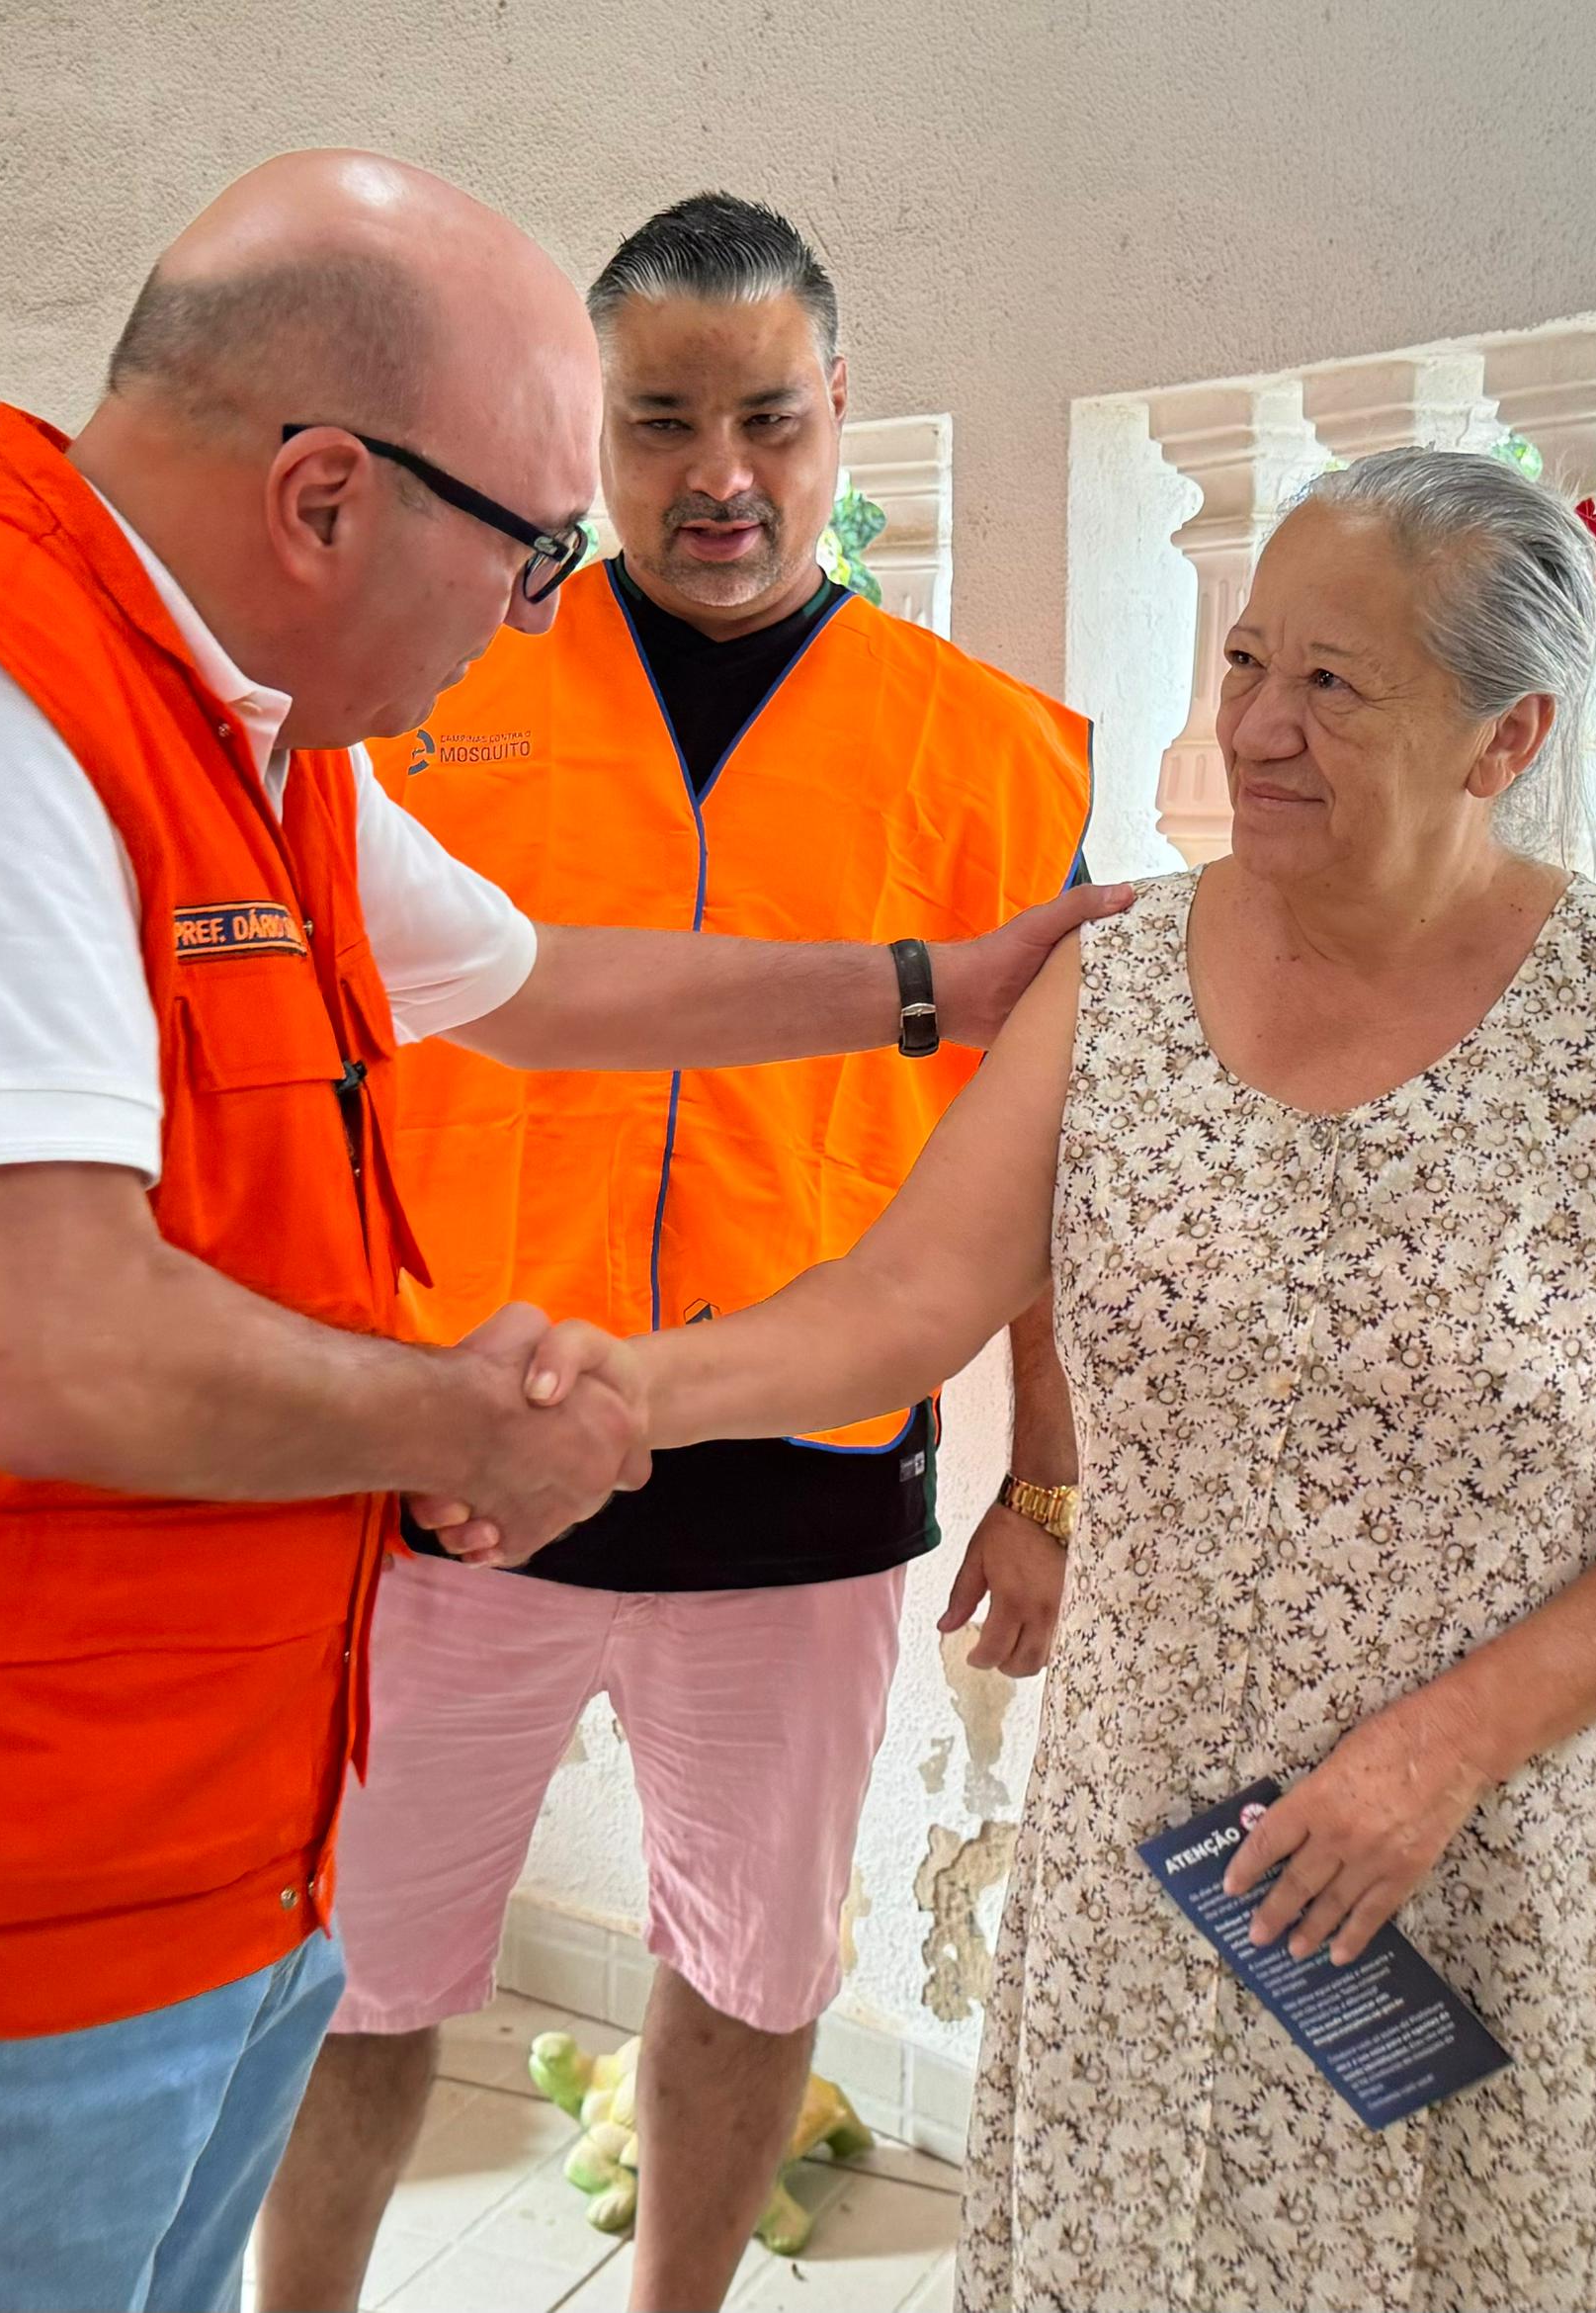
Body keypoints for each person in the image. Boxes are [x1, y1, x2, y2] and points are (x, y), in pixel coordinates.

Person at [0, 149, 1118, 2313]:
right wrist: (468, 1422)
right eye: (533, 550)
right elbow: (48, 1351)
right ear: (326, 497)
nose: (540, 615)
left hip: (206, 1820)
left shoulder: (244, 731)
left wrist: (927, 989)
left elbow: (527, 976)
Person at [462, 447, 1596, 2311]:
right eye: (1248, 661)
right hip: (1162, 1846)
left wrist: (1433, 1756)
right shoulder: (1121, 987)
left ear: (1504, 741)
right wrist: (601, 1393)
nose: (1257, 727)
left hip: (1499, 1852)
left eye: (1334, 685)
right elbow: (885, 1312)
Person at [257, 194, 1093, 2313]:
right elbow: (296, 1067)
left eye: (767, 420)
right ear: (590, 433)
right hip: (455, 1457)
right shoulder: (433, 693)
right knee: (357, 1973)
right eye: (657, 424)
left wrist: (1049, 1473)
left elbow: (1048, 1161)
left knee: (748, 1960)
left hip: (803, 1475)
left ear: (841, 419)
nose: (718, 475)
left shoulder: (993, 752)